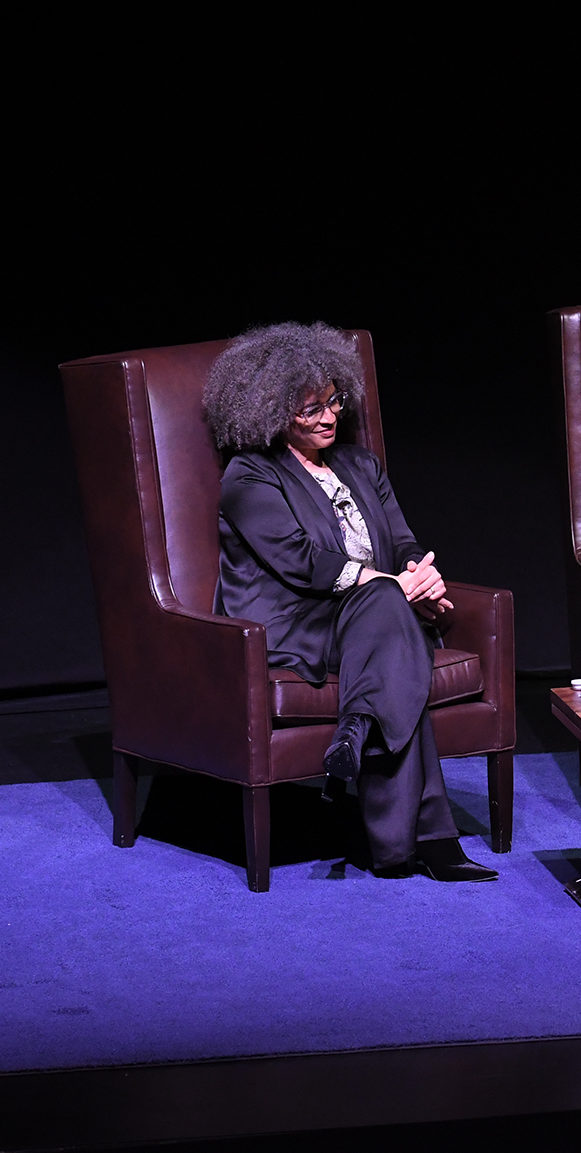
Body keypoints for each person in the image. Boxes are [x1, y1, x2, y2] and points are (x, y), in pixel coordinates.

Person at [204, 322, 496, 882]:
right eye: (308, 410)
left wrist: (420, 572)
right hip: (293, 621)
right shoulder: (250, 475)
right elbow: (302, 561)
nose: (328, 417)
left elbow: (402, 538)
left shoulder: (360, 465)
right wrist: (394, 585)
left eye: (332, 401)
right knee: (391, 623)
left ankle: (357, 730)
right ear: (268, 411)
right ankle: (434, 840)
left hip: (370, 616)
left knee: (387, 613)